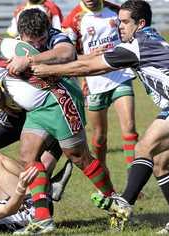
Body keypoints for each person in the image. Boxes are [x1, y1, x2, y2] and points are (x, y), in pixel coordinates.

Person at [32, 0, 169, 233]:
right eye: (119, 22)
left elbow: (91, 69)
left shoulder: (137, 45)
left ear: (140, 23)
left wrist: (48, 70)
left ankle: (123, 203)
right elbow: (89, 60)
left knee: (143, 148)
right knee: (159, 163)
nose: (120, 27)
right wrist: (43, 61)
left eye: (125, 22)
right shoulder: (145, 39)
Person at [0, 21, 116, 234]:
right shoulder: (1, 43)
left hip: (57, 101)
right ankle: (42, 220)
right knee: (28, 156)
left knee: (79, 157)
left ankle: (116, 203)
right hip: (37, 110)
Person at [0, 8, 78, 203]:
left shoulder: (55, 37)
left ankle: (38, 207)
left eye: (40, 39)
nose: (36, 44)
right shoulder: (10, 44)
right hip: (17, 110)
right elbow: (2, 85)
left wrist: (29, 59)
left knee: (39, 163)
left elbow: (67, 52)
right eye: (30, 42)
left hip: (53, 105)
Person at [62, 0, 138, 174]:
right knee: (100, 136)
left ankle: (133, 177)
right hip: (94, 82)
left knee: (129, 128)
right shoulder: (73, 20)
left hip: (120, 75)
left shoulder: (116, 10)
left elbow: (133, 35)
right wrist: (89, 56)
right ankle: (103, 170)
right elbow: (66, 55)